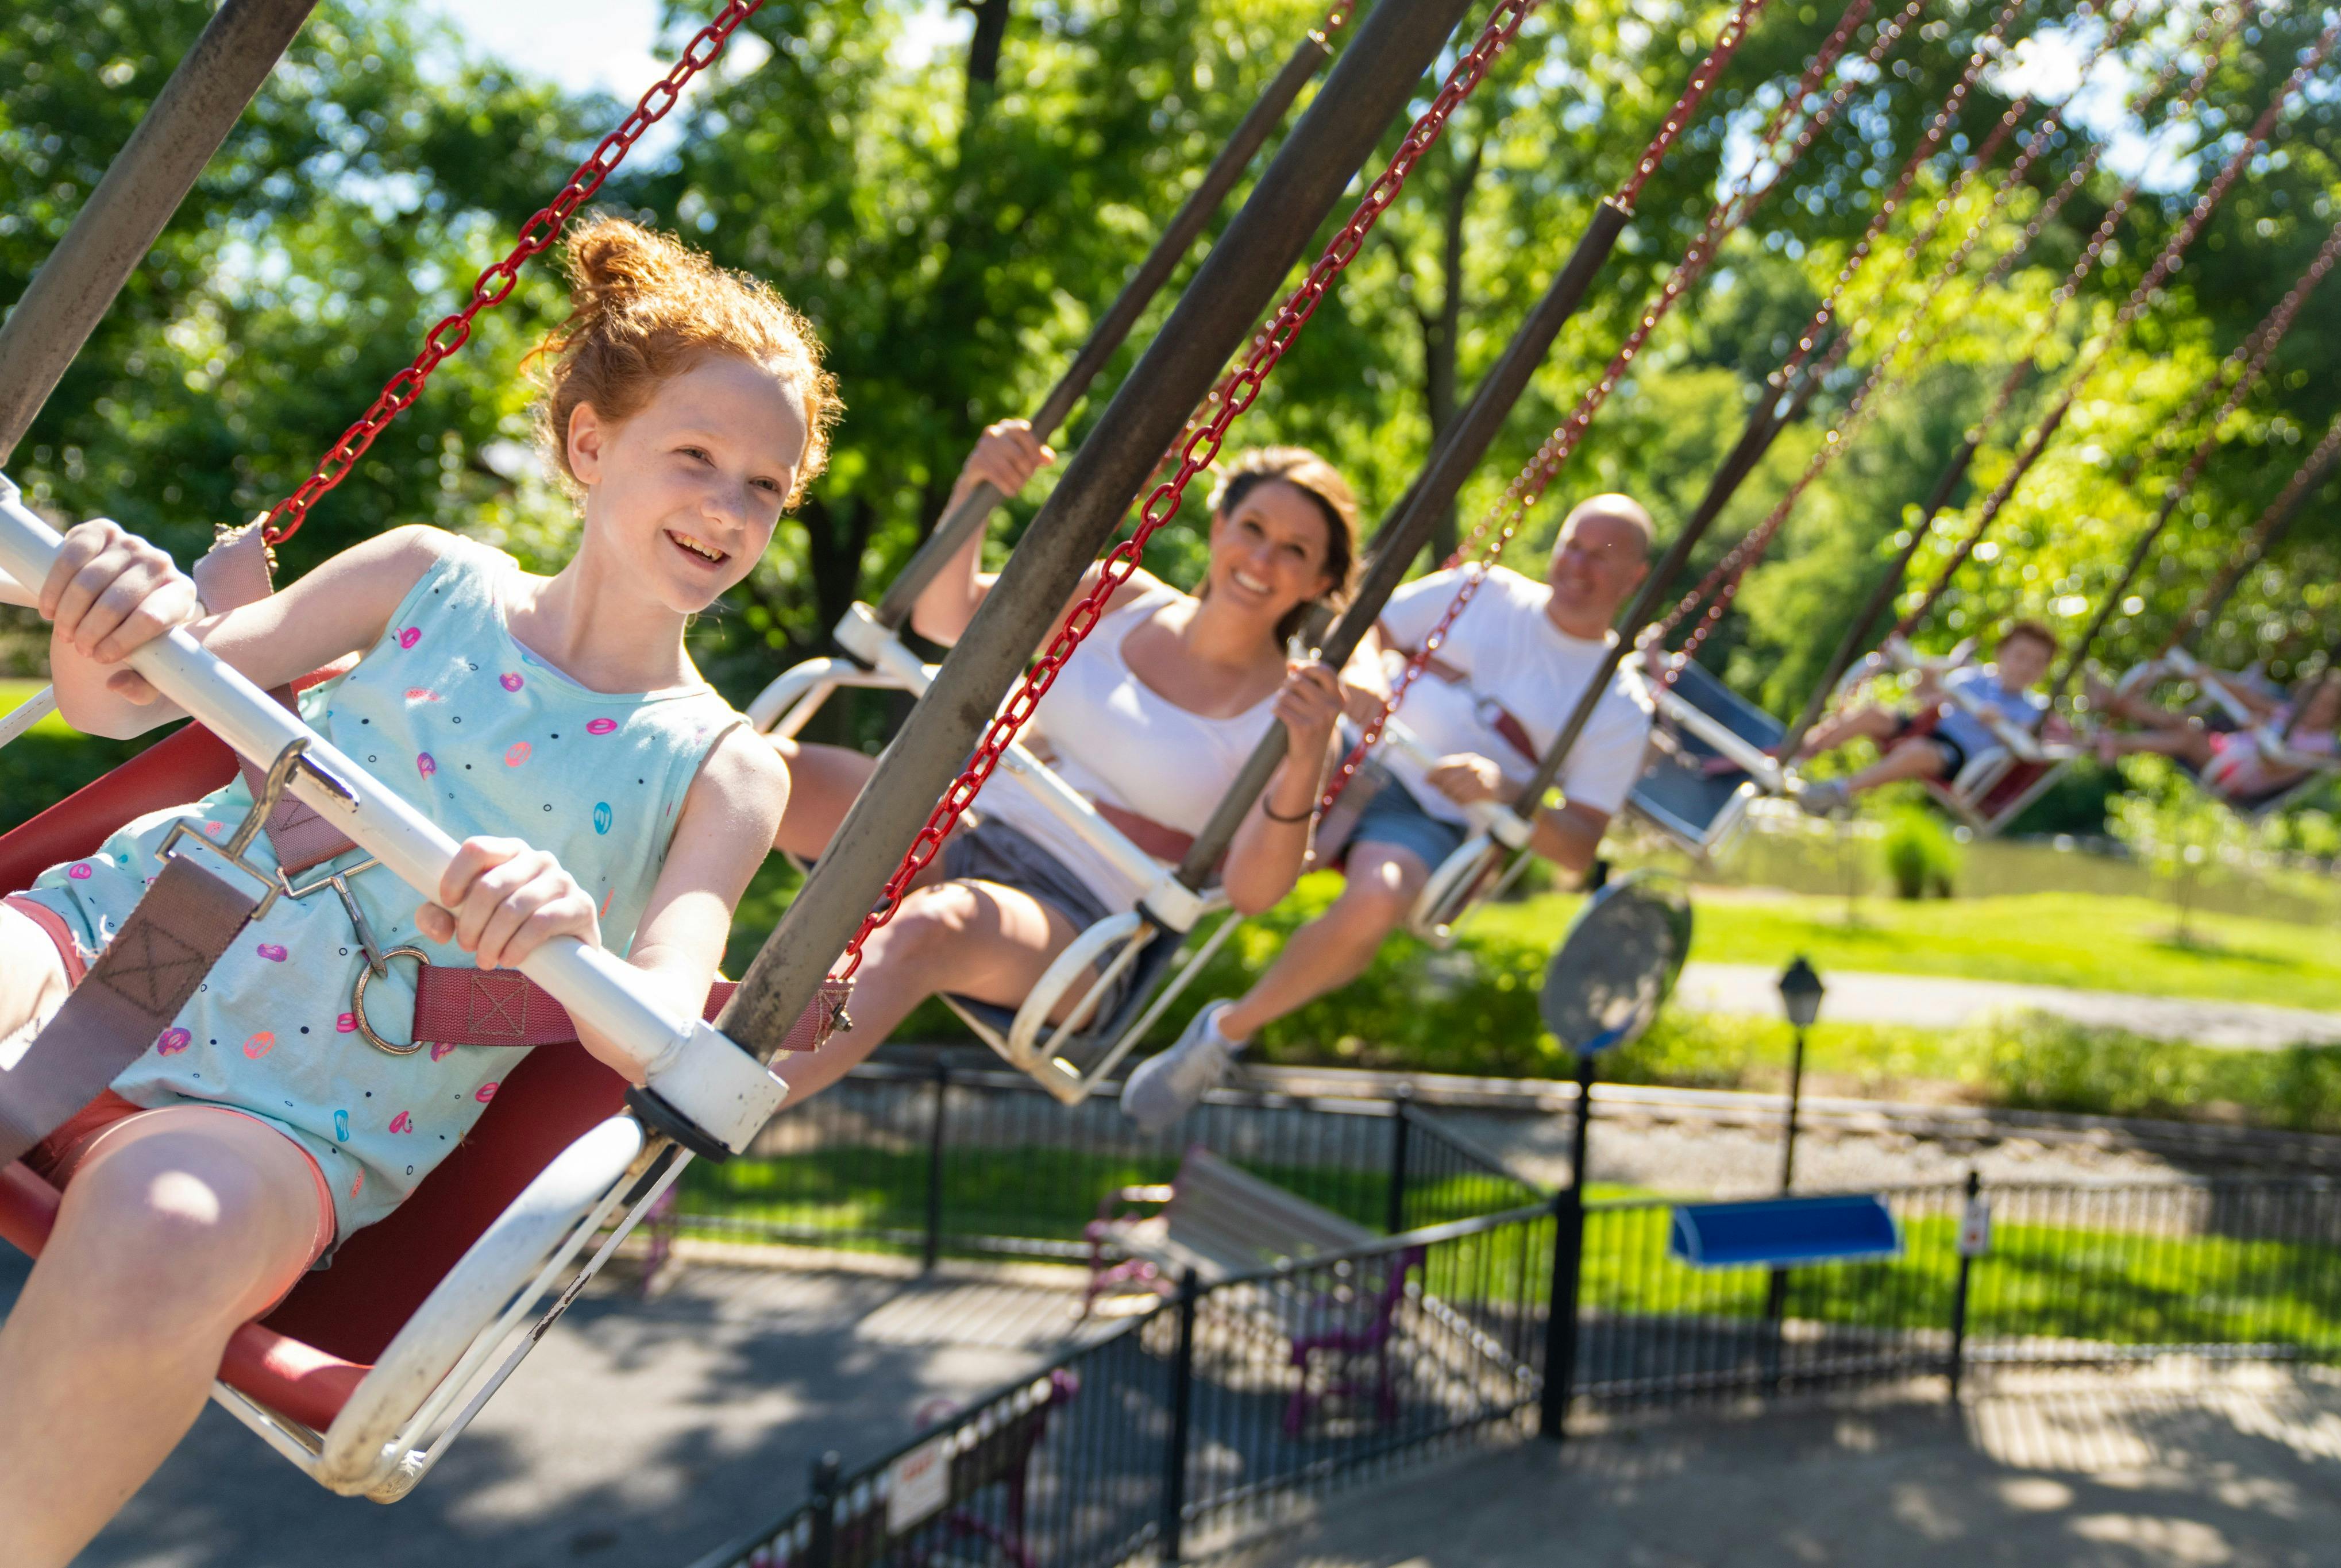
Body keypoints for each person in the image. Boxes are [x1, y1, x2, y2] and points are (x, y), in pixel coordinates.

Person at [0, 218, 835, 1567]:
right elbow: (134, 700)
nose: (732, 511)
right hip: (127, 936)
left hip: (308, 1105)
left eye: (768, 487)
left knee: (164, 1230)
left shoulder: (724, 768)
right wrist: (104, 627)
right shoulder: (421, 577)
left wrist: (572, 938)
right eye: (698, 458)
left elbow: (660, 1026)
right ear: (587, 446)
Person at [766, 424, 1353, 1103]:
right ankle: (653, 974)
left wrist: (1309, 755)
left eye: (1295, 550)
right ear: (1219, 525)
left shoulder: (1292, 719)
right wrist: (977, 490)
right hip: (960, 823)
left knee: (934, 926)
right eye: (1251, 526)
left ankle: (722, 1100)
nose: (1262, 557)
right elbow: (946, 614)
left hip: (1075, 912)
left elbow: (1253, 893)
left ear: (1322, 580)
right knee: (758, 774)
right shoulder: (1117, 597)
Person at [1120, 494, 1660, 1133]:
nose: (1577, 566)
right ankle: (1103, 903)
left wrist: (1505, 794)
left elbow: (1576, 847)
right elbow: (1370, 625)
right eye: (1572, 544)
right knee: (1218, 771)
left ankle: (1222, 1035)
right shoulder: (1479, 591)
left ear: (1634, 577)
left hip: (1429, 818)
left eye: (1601, 555)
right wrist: (1370, 679)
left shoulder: (1618, 705)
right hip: (1350, 747)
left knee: (1379, 897)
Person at [1792, 621, 2064, 816]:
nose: (2026, 667)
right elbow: (1923, 697)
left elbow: (2033, 739)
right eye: (2021, 657)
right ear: (2001, 654)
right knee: (1874, 714)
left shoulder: (2034, 708)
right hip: (1930, 729)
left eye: (2037, 662)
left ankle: (1838, 791)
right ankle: (1797, 755)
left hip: (1957, 757)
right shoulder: (1974, 678)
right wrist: (1928, 678)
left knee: (1919, 752)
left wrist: (2002, 721)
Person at [2090, 661, 2341, 801]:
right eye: (2314, 699)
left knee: (2188, 737)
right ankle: (2113, 704)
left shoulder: (2322, 746)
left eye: (2327, 706)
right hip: (2224, 750)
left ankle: (2117, 740)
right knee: (2182, 723)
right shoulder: (2286, 713)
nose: (2317, 709)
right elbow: (2246, 696)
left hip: (2238, 774)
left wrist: (2260, 733)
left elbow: (2276, 767)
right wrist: (2210, 676)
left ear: (2337, 713)